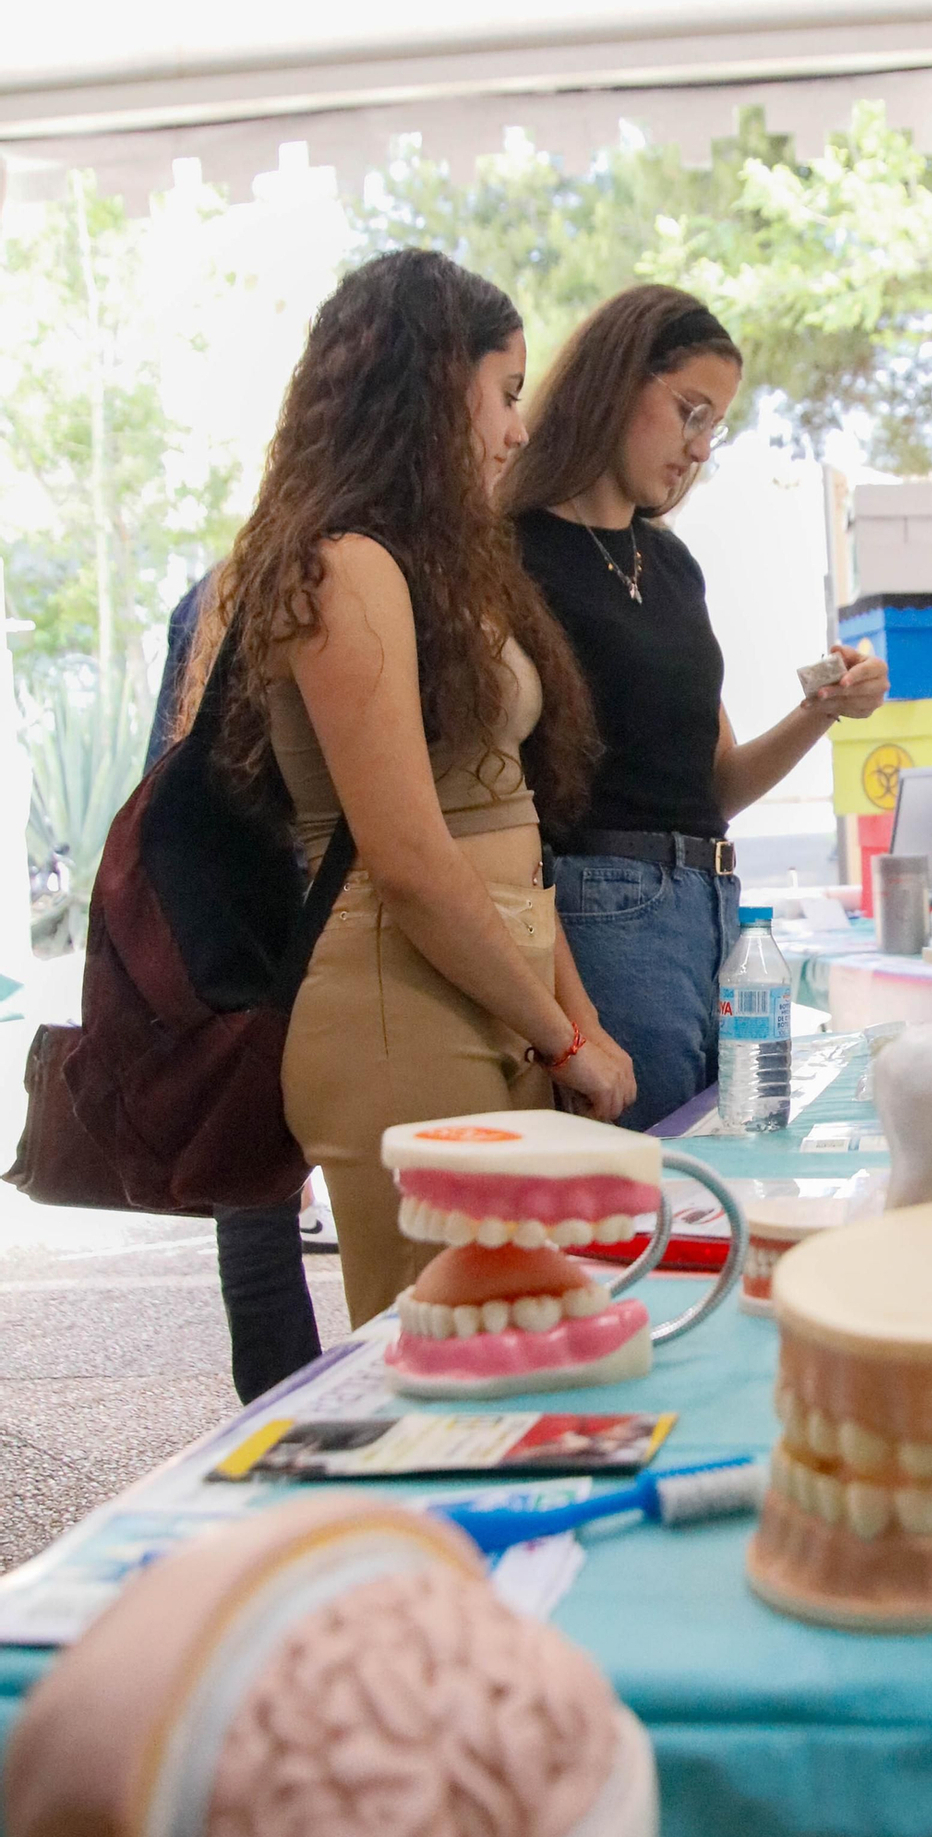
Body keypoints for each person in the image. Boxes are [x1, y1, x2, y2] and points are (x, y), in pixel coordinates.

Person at [186, 250, 634, 1328]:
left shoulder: (432, 568)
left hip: (491, 998)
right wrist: (565, 1037)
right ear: (436, 391)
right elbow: (411, 859)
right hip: (403, 1004)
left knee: (520, 1344)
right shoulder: (343, 568)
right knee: (438, 1364)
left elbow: (506, 835)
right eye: (506, 394)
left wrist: (569, 1019)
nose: (518, 429)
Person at [503, 285, 888, 1132]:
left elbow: (711, 787)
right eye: (690, 412)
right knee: (653, 1193)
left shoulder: (669, 565)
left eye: (714, 427)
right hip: (598, 909)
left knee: (724, 1174)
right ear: (616, 382)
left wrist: (822, 711)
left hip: (714, 912)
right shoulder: (513, 555)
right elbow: (499, 811)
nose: (699, 448)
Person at [147, 576, 324, 1405]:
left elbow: (168, 784)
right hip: (336, 917)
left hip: (243, 939)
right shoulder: (375, 573)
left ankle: (285, 1430)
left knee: (255, 1206)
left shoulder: (219, 593)